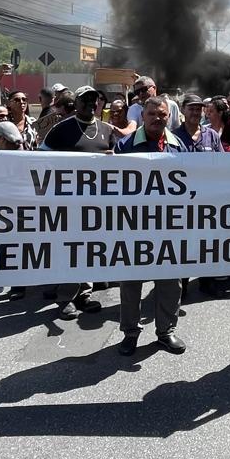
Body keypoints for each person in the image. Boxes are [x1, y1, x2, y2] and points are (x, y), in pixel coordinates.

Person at [113, 97, 189, 356]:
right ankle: (130, 333)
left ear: (169, 117)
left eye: (162, 114)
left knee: (170, 281)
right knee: (131, 281)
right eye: (152, 114)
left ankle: (166, 331)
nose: (157, 118)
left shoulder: (178, 145)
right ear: (142, 116)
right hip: (134, 225)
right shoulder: (125, 145)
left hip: (169, 225)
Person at [39, 86, 112, 318]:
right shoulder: (61, 129)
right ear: (76, 103)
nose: (91, 103)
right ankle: (65, 298)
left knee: (89, 249)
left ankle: (84, 294)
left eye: (94, 100)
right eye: (85, 99)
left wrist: (112, 159)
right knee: (70, 249)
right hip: (68, 202)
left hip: (97, 202)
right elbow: (41, 159)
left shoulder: (106, 129)